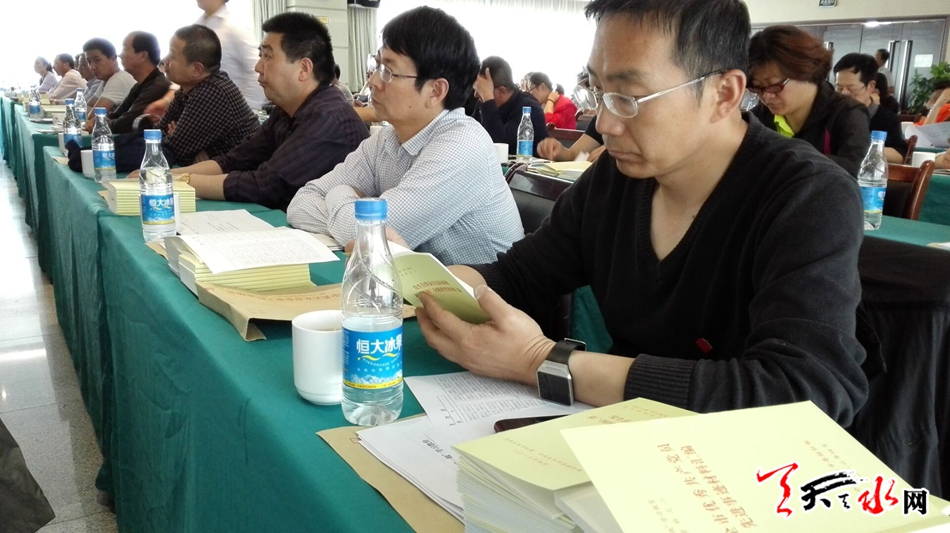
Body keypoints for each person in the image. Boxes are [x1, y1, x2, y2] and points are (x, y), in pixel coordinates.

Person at [415, 0, 868, 426]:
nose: (605, 124)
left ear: (724, 94)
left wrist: (539, 360)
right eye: (598, 90)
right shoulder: (617, 177)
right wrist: (417, 282)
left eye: (630, 96)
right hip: (619, 435)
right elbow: (520, 276)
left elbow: (803, 389)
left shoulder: (807, 195)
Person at [288, 7, 524, 265]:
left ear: (435, 91)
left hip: (479, 290)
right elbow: (300, 204)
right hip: (423, 284)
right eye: (377, 65)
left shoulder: (463, 146)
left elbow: (369, 236)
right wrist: (357, 212)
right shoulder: (387, 139)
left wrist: (339, 193)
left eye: (389, 71)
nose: (373, 81)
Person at [166, 12, 367, 211]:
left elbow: (266, 185)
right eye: (260, 55)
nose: (258, 67)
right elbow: (236, 160)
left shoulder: (326, 118)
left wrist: (178, 181)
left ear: (304, 69)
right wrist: (168, 176)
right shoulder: (286, 111)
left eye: (268, 56)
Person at [749, 25, 870, 177]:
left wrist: (782, 158)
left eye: (774, 85)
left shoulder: (847, 113)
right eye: (758, 88)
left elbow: (855, 168)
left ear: (805, 72)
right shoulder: (757, 118)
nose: (766, 97)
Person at [154, 25, 259, 166]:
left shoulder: (212, 92)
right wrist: (181, 145)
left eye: (172, 56)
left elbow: (171, 151)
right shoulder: (187, 89)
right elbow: (157, 134)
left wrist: (180, 146)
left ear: (196, 69)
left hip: (242, 172)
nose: (165, 60)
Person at [92, 32, 172, 134]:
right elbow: (116, 115)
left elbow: (125, 124)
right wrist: (98, 121)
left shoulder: (157, 86)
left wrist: (98, 124)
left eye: (124, 49)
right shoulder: (139, 85)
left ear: (142, 56)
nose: (120, 55)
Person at [833, 53, 907, 163]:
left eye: (851, 88)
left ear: (871, 86)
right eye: (839, 88)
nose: (844, 94)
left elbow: (899, 155)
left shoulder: (887, 119)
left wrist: (861, 147)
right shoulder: (830, 114)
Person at [472, 56, 549, 156]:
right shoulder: (483, 103)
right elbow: (470, 134)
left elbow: (499, 146)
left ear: (501, 91)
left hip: (527, 164)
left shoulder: (528, 107)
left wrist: (487, 98)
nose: (476, 95)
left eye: (483, 89)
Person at [196, 0, 265, 109]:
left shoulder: (235, 28)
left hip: (229, 110)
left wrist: (248, 108)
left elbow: (257, 70)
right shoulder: (197, 25)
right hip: (203, 105)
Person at [82, 38, 136, 115]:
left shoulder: (118, 79)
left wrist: (96, 112)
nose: (92, 67)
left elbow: (93, 115)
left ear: (113, 59)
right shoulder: (106, 79)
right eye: (89, 61)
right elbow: (86, 107)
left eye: (97, 60)